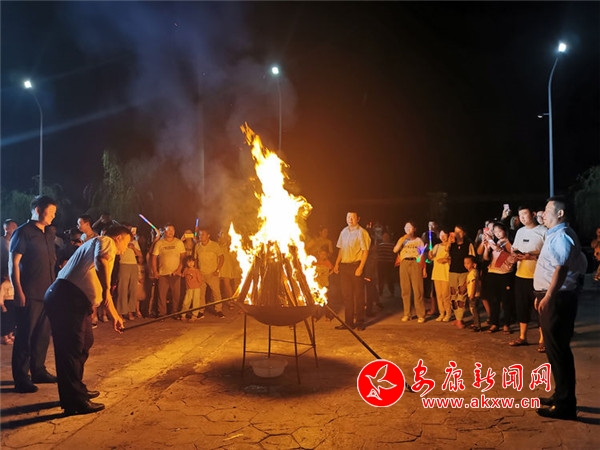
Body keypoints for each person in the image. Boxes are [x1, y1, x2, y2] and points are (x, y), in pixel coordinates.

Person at [44, 225, 130, 416]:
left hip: (74, 301)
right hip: (66, 299)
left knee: (84, 343)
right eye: (126, 242)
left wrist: (115, 316)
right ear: (118, 237)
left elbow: (100, 289)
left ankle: (77, 390)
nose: (126, 248)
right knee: (71, 349)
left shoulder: (97, 246)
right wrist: (107, 290)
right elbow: (101, 260)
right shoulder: (106, 241)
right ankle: (73, 402)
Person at [534, 196, 587, 420]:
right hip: (553, 296)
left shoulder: (563, 235)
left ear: (560, 213)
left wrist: (548, 296)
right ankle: (560, 395)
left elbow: (561, 268)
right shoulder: (554, 234)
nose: (543, 214)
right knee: (554, 350)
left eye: (547, 210)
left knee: (559, 350)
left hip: (558, 298)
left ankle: (565, 405)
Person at [9, 195, 58, 393]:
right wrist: (18, 291)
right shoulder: (23, 232)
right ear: (38, 210)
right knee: (25, 336)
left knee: (42, 335)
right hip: (29, 293)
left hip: (48, 293)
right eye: (51, 212)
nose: (53, 216)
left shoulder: (49, 232)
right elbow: (13, 264)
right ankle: (21, 378)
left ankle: (38, 370)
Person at [509, 207, 546, 350]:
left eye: (525, 214)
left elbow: (548, 254)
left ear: (533, 214)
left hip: (538, 277)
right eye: (520, 215)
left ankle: (543, 339)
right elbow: (514, 249)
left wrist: (532, 256)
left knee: (540, 309)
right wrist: (515, 256)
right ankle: (522, 337)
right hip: (521, 275)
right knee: (522, 307)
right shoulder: (520, 232)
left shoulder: (543, 231)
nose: (522, 218)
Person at [333, 211, 370, 331]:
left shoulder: (362, 232)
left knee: (359, 295)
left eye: (353, 217)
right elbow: (341, 250)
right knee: (347, 296)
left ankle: (360, 322)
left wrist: (360, 268)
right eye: (348, 217)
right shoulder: (343, 232)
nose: (350, 219)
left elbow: (365, 252)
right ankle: (348, 322)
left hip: (356, 266)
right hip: (344, 267)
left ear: (358, 219)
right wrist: (336, 264)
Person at [482, 222, 515, 334]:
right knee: (493, 300)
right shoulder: (495, 243)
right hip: (493, 273)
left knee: (506, 301)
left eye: (499, 231)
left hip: (505, 274)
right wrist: (486, 248)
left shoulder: (509, 243)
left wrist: (490, 240)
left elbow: (500, 251)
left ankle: (506, 324)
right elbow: (486, 258)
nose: (497, 234)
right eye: (495, 232)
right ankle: (494, 323)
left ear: (505, 230)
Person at [393, 221, 426, 323]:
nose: (408, 229)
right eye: (406, 227)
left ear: (414, 229)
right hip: (404, 263)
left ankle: (421, 315)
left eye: (410, 227)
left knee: (418, 290)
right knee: (405, 290)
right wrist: (403, 239)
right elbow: (395, 250)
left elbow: (422, 255)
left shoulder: (418, 240)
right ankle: (407, 314)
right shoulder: (402, 240)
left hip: (415, 263)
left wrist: (424, 269)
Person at [151, 224, 186, 317]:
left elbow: (183, 257)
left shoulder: (179, 243)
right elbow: (154, 257)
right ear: (165, 232)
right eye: (168, 230)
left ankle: (175, 312)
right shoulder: (160, 243)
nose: (170, 232)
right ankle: (162, 313)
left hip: (175, 273)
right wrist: (155, 271)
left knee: (176, 295)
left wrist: (179, 269)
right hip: (163, 273)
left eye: (172, 230)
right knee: (161, 295)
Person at [194, 227, 225, 318]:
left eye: (203, 234)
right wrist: (196, 270)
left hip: (212, 273)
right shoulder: (197, 246)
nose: (200, 236)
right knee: (201, 294)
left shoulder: (215, 245)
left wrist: (218, 270)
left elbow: (221, 258)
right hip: (201, 273)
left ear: (208, 235)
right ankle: (201, 311)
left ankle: (218, 310)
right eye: (199, 234)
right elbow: (195, 259)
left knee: (216, 293)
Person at [448, 225, 475, 329]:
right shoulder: (452, 245)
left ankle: (459, 319)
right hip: (453, 271)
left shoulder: (468, 244)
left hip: (463, 272)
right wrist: (449, 243)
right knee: (453, 295)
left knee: (461, 295)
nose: (457, 234)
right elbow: (446, 254)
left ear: (464, 233)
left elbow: (472, 258)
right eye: (455, 232)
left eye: (459, 232)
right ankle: (457, 317)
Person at [117, 224, 143, 321]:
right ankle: (120, 313)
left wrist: (133, 248)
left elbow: (140, 255)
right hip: (123, 265)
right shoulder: (119, 241)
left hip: (133, 265)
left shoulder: (134, 242)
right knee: (122, 289)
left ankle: (130, 311)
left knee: (132, 289)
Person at [429, 228, 451, 321]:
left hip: (446, 274)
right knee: (439, 295)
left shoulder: (450, 246)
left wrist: (445, 259)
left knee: (446, 295)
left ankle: (448, 313)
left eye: (444, 235)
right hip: (437, 273)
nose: (442, 237)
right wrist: (430, 255)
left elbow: (451, 259)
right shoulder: (437, 246)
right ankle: (441, 313)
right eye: (441, 235)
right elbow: (430, 259)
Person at [179, 256, 203, 321]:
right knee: (186, 302)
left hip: (196, 288)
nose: (191, 263)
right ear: (186, 263)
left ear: (194, 262)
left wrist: (198, 285)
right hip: (189, 289)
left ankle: (194, 315)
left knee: (196, 302)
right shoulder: (186, 270)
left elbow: (200, 280)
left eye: (192, 262)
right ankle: (183, 314)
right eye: (189, 262)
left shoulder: (196, 271)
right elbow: (183, 275)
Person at [464, 255, 482, 332]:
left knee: (474, 310)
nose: (466, 265)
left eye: (468, 263)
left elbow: (474, 283)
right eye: (465, 263)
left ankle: (477, 326)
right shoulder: (471, 272)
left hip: (474, 295)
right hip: (472, 294)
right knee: (472, 309)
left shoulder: (473, 272)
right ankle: (475, 323)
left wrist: (472, 294)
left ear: (473, 264)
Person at [376, 231, 396, 297]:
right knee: (384, 278)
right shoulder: (389, 245)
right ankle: (382, 292)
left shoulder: (382, 245)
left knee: (387, 278)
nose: (385, 238)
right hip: (383, 263)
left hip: (387, 263)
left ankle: (388, 292)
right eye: (384, 236)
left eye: (386, 236)